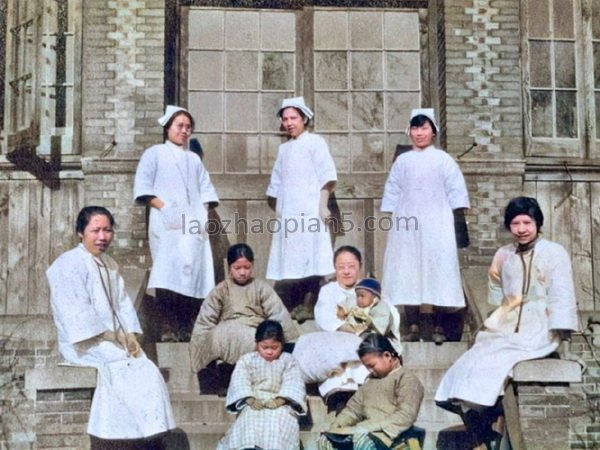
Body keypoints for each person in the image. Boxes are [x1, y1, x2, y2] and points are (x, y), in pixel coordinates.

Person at [435, 197, 579, 450]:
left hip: (539, 325)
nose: (521, 229)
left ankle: (489, 427)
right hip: (508, 322)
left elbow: (561, 292)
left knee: (497, 364)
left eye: (527, 222)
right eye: (515, 223)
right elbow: (495, 292)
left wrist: (562, 329)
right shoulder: (503, 254)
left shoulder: (554, 252)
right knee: (465, 366)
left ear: (537, 223)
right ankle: (481, 430)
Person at [46, 206, 175, 448]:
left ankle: (143, 438)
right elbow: (75, 313)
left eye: (107, 230)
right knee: (122, 369)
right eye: (95, 230)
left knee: (145, 366)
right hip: (84, 343)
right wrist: (113, 335)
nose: (102, 237)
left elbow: (123, 305)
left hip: (112, 340)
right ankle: (115, 440)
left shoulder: (109, 264)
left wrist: (131, 335)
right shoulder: (67, 265)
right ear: (80, 233)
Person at [381, 108, 470, 345]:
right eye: (415, 128)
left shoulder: (443, 160)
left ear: (433, 132)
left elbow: (457, 195)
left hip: (436, 225)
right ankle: (412, 324)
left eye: (424, 128)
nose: (419, 133)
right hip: (407, 226)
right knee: (408, 272)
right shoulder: (402, 161)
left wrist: (455, 225)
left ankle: (438, 325)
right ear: (409, 131)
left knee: (437, 272)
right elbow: (392, 192)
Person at [133, 105, 219, 342]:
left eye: (188, 127)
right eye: (179, 126)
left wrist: (203, 216)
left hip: (192, 227)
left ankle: (187, 327)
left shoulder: (194, 160)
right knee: (167, 273)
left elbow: (206, 192)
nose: (184, 131)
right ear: (168, 127)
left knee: (193, 274)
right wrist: (165, 208)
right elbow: (143, 188)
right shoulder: (154, 153)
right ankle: (168, 328)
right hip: (167, 223)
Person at [189, 243, 299, 390]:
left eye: (246, 268)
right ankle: (222, 379)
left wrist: (285, 342)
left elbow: (278, 314)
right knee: (216, 336)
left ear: (252, 266)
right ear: (229, 268)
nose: (242, 272)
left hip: (253, 334)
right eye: (237, 268)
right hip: (225, 335)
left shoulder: (261, 288)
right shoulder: (220, 290)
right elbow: (205, 320)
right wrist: (199, 348)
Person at [266, 96, 337, 320]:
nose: (289, 123)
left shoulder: (315, 142)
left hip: (310, 211)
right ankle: (294, 304)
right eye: (285, 119)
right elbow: (276, 185)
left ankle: (308, 305)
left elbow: (327, 176)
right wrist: (279, 212)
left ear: (304, 119)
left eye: (293, 118)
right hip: (289, 213)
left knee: (311, 256)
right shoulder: (284, 150)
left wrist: (322, 206)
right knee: (291, 260)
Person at [293, 246, 391, 405]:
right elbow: (325, 319)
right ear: (335, 268)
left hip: (364, 337)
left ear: (360, 266)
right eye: (341, 267)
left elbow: (383, 315)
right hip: (337, 338)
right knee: (337, 359)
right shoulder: (328, 290)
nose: (346, 271)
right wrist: (347, 328)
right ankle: (339, 399)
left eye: (351, 266)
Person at [317, 333, 424, 450]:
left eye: (372, 365)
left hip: (393, 436)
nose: (369, 370)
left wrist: (369, 427)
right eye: (366, 366)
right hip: (366, 432)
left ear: (387, 356)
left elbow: (406, 415)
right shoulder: (369, 381)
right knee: (325, 440)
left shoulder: (407, 379)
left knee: (362, 441)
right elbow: (353, 410)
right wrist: (337, 425)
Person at [216, 319, 307, 450]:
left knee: (279, 418)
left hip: (280, 404)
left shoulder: (288, 360)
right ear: (257, 344)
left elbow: (294, 382)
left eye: (274, 347)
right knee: (250, 418)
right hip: (254, 401)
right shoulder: (247, 360)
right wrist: (249, 398)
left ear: (282, 344)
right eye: (264, 347)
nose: (269, 352)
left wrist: (280, 400)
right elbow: (240, 380)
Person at [336, 278, 401, 341]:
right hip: (359, 332)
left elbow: (379, 331)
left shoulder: (382, 308)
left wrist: (365, 322)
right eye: (357, 296)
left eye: (362, 296)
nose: (359, 299)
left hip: (380, 337)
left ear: (374, 297)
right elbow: (346, 306)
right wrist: (342, 311)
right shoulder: (358, 303)